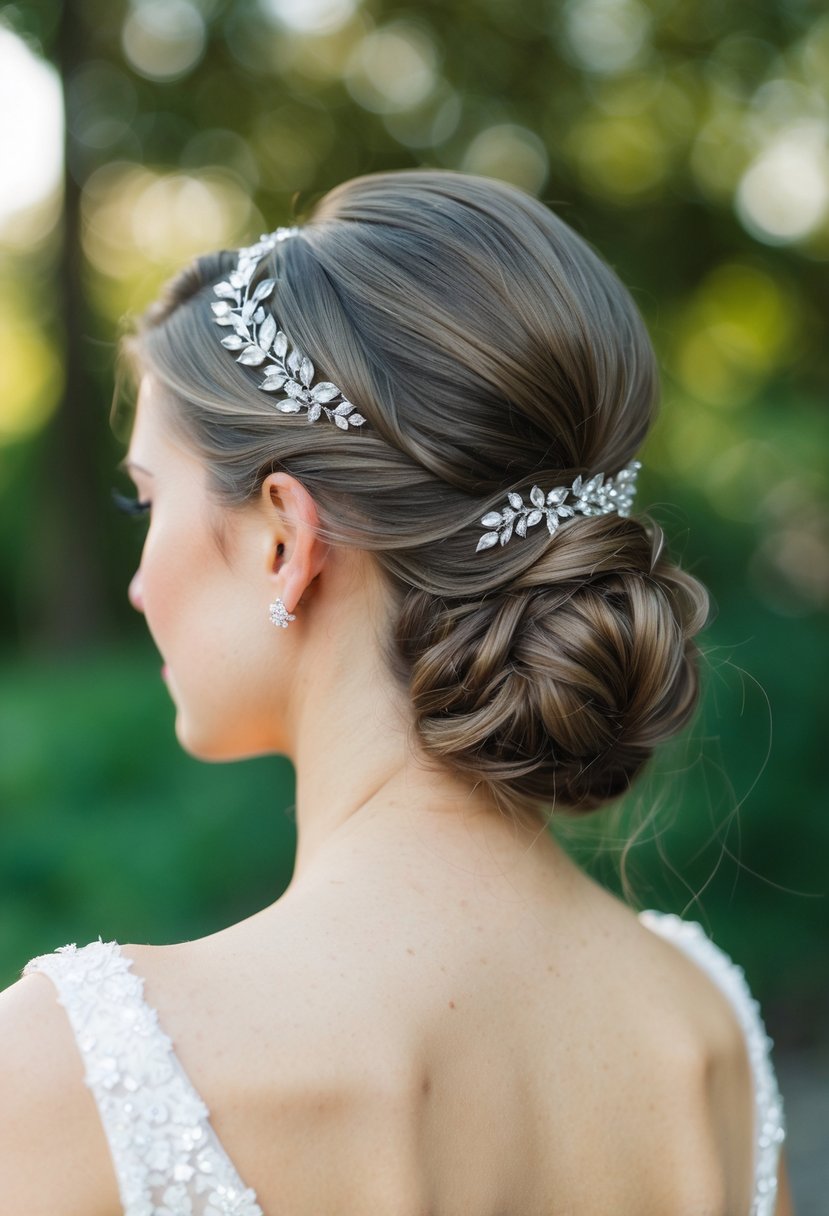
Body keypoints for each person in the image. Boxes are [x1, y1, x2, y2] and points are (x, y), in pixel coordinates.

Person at [0, 169, 793, 1216]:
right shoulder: (705, 1033)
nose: (140, 580)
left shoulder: (79, 1071)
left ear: (286, 535)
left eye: (146, 498)